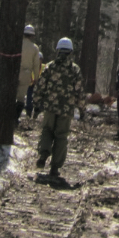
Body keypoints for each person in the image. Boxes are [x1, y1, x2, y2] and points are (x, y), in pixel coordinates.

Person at [33, 37, 85, 178]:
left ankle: (43, 155)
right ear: (70, 52)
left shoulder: (50, 66)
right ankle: (55, 168)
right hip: (66, 110)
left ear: (58, 50)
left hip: (49, 107)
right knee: (61, 137)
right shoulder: (75, 69)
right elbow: (79, 92)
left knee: (47, 131)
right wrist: (82, 109)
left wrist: (36, 103)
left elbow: (40, 86)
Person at [16, 24, 41, 125]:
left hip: (14, 72)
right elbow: (36, 65)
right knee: (21, 98)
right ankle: (15, 117)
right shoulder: (34, 48)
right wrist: (36, 78)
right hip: (26, 74)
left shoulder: (17, 43)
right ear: (32, 36)